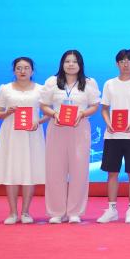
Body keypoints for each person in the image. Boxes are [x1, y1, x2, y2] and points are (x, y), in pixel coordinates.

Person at [38, 50, 100, 224]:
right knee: (55, 170)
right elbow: (43, 105)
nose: (71, 64)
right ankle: (56, 212)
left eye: (74, 61)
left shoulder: (89, 83)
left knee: (79, 171)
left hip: (79, 129)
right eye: (67, 61)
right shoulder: (52, 81)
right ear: (62, 64)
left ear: (80, 64)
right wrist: (54, 114)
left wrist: (83, 113)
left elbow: (94, 105)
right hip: (57, 128)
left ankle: (74, 212)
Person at [97, 49, 130, 224]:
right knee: (112, 173)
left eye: (129, 61)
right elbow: (104, 108)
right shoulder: (109, 84)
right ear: (117, 64)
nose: (126, 64)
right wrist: (108, 123)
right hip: (113, 136)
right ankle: (112, 209)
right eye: (122, 61)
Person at [0, 56, 46, 224]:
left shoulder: (41, 89)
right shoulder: (5, 89)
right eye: (19, 68)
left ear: (32, 71)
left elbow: (49, 113)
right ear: (14, 71)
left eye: (26, 68)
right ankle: (13, 213)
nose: (23, 71)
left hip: (31, 134)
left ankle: (26, 212)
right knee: (12, 171)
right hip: (11, 135)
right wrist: (7, 112)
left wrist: (38, 122)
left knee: (29, 171)